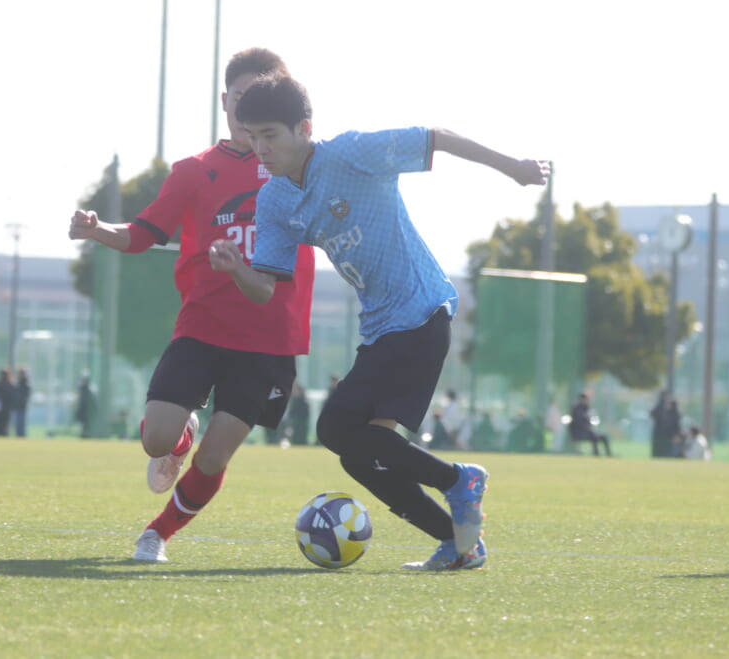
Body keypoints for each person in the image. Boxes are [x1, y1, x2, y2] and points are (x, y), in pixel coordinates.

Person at [209, 73, 548, 570]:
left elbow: (437, 137)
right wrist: (238, 267)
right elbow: (264, 288)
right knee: (360, 453)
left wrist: (513, 167)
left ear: (304, 128)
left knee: (335, 427)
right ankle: (459, 544)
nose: (260, 148)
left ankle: (460, 480)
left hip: (420, 312)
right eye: (252, 136)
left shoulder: (350, 154)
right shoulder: (275, 199)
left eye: (270, 135)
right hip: (380, 328)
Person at [68, 48, 314, 563]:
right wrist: (97, 230)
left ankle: (156, 534)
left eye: (262, 99)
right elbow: (142, 233)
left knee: (216, 456)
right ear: (225, 101)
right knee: (155, 439)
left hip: (269, 338)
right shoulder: (193, 171)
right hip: (203, 325)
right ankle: (179, 440)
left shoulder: (304, 169)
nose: (249, 110)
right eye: (242, 97)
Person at [568, 392, 612, 457]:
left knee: (604, 436)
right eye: (586, 399)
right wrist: (589, 430)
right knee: (594, 436)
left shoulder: (587, 409)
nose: (587, 401)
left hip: (588, 431)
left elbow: (591, 420)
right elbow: (579, 423)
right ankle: (596, 454)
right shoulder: (576, 409)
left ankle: (609, 455)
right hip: (578, 432)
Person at [650, 390, 681, 459]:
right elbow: (653, 414)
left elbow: (675, 424)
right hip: (660, 434)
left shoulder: (674, 412)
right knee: (659, 452)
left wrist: (676, 434)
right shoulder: (661, 407)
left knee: (667, 452)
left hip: (668, 435)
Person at [284, 381, 310, 446]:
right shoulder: (294, 401)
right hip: (294, 424)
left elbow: (305, 414)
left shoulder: (303, 402)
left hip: (301, 423)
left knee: (300, 439)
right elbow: (291, 412)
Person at [0, 368, 13, 437]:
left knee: (3, 426)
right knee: (2, 426)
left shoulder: (8, 385)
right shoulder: (1, 384)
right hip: (2, 408)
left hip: (4, 409)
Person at [12, 367, 31, 438]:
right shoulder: (17, 383)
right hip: (16, 407)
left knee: (21, 425)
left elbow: (25, 397)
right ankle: (18, 437)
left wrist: (20, 401)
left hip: (22, 407)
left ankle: (22, 438)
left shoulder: (26, 384)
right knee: (17, 426)